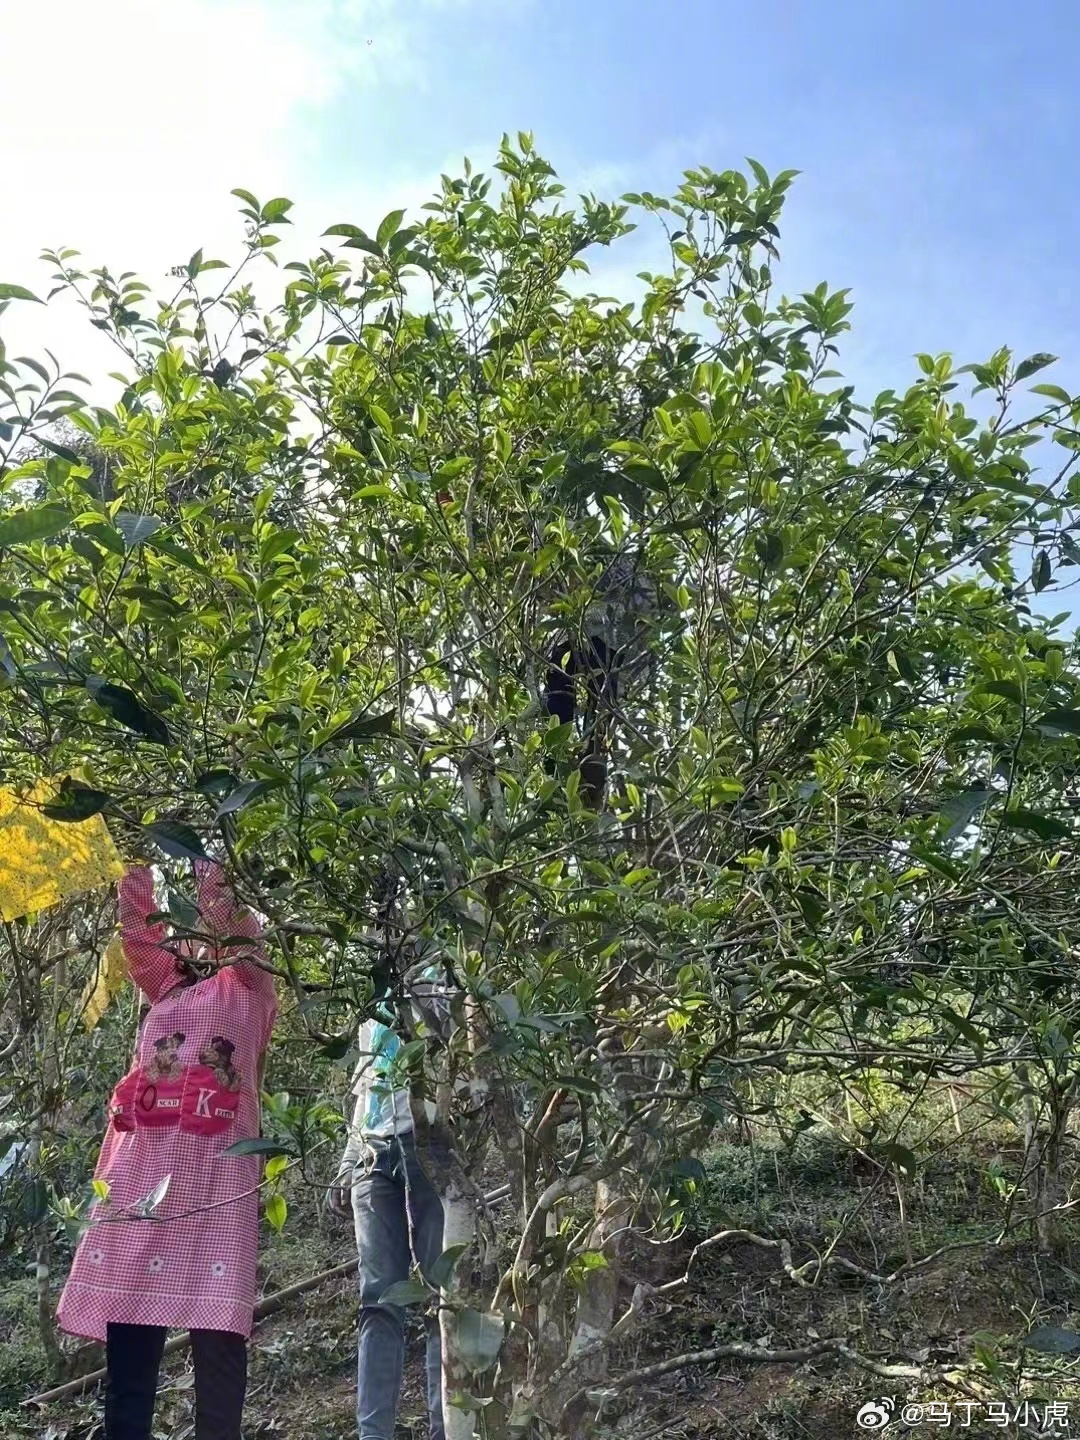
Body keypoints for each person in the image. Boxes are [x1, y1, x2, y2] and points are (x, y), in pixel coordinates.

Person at [57, 861, 278, 1440]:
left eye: (200, 929)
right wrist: (137, 859)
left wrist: (208, 850)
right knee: (129, 1363)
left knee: (220, 1354)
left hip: (217, 1190)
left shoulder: (250, 985)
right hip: (142, 1180)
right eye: (179, 933)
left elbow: (229, 916)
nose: (190, 938)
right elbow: (136, 930)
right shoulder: (167, 986)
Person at [328, 968, 452, 1440]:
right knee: (378, 1299)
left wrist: (416, 987)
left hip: (431, 1146)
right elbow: (367, 1081)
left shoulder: (449, 965)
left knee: (444, 1295)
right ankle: (373, 1434)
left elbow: (455, 1040)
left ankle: (448, 1428)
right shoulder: (375, 989)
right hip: (373, 1154)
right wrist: (349, 1155)